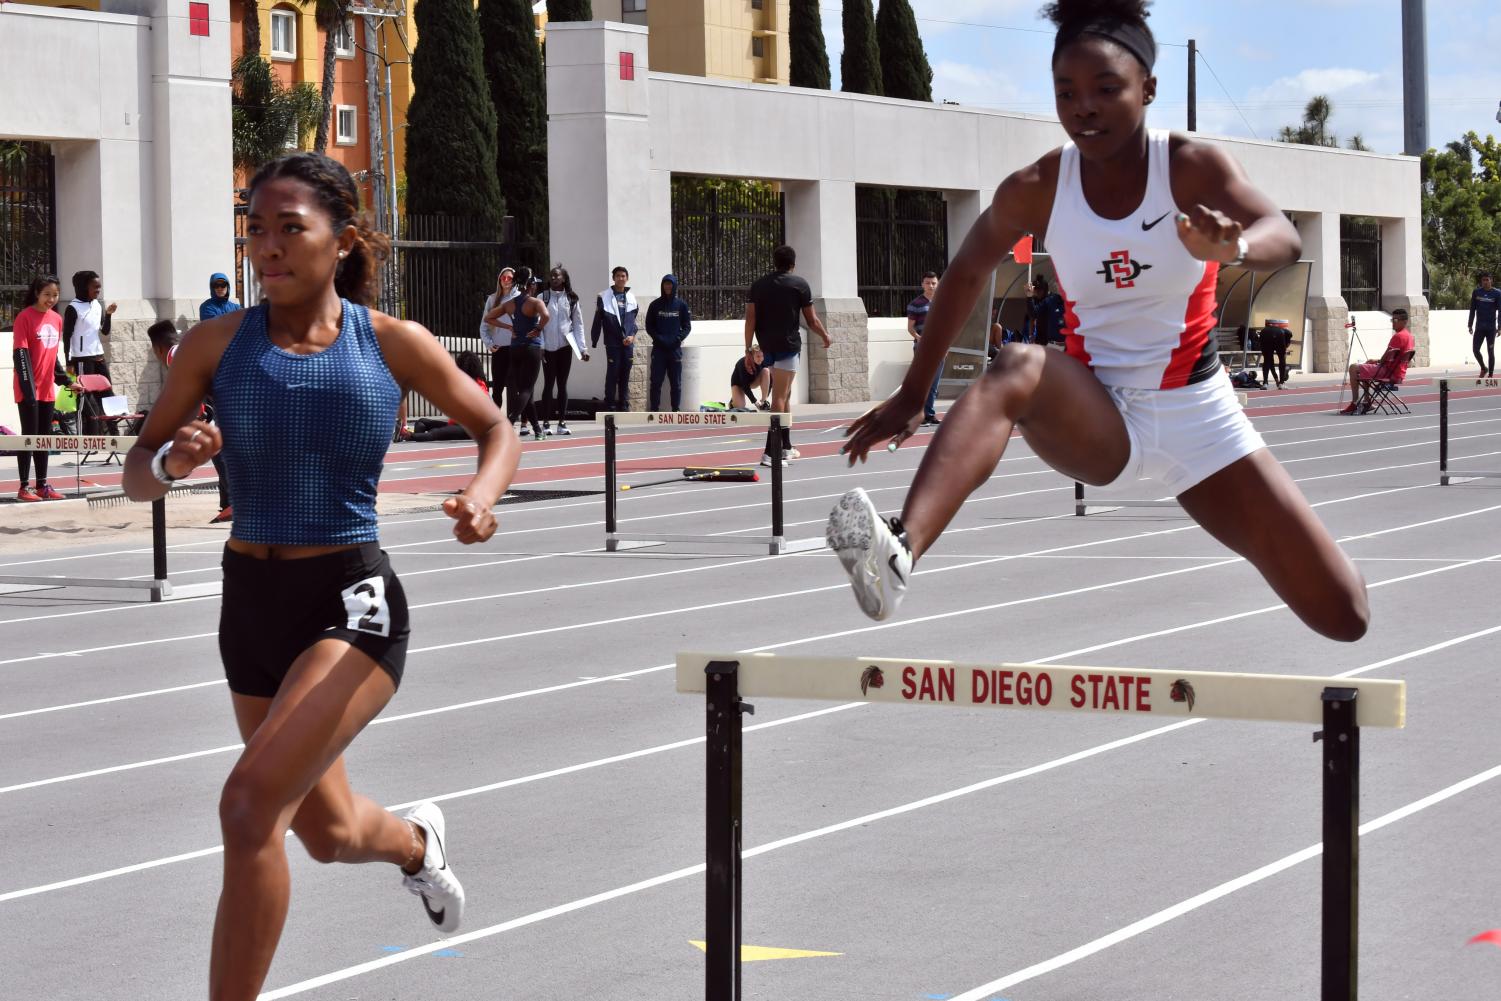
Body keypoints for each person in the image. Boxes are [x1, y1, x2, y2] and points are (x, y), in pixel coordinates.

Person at [827, 0, 1369, 646]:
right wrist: (915, 394)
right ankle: (898, 551)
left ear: (1148, 88)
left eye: (1105, 89)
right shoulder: (1037, 187)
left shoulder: (1189, 165)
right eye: (1066, 92)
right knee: (1017, 368)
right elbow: (965, 272)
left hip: (1200, 418)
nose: (1083, 106)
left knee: (1344, 612)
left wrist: (1235, 250)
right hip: (1098, 410)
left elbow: (1280, 232)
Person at [122, 152, 520, 1001]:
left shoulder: (391, 343)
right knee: (327, 831)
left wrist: (482, 498)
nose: (267, 247)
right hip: (251, 606)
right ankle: (417, 843)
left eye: (289, 228)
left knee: (245, 807)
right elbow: (136, 472)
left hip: (352, 601)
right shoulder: (216, 344)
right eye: (255, 229)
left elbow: (495, 428)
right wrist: (173, 461)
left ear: (342, 239)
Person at [744, 244, 832, 466]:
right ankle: (769, 452)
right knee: (780, 398)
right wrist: (825, 336)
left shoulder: (759, 285)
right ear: (793, 264)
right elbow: (812, 320)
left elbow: (750, 319)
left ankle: (786, 446)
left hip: (766, 346)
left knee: (786, 394)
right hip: (787, 346)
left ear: (775, 262)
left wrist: (747, 349)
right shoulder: (799, 285)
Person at [148, 319, 235, 522]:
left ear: (158, 349)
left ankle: (234, 503)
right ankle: (228, 503)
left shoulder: (176, 358)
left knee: (220, 450)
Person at [12, 275, 75, 501]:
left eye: (55, 295)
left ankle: (42, 486)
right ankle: (23, 487)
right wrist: (29, 392)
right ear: (37, 293)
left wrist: (68, 382)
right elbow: (21, 355)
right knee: (29, 437)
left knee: (44, 438)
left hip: (48, 389)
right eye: (47, 294)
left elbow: (53, 359)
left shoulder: (57, 319)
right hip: (28, 388)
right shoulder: (24, 317)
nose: (51, 299)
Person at [486, 267, 551, 437]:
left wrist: (508, 326)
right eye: (535, 284)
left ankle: (537, 429)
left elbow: (489, 318)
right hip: (531, 348)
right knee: (527, 389)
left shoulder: (509, 304)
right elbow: (546, 316)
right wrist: (538, 328)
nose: (536, 287)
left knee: (523, 390)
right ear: (531, 285)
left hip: (514, 349)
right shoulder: (535, 302)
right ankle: (510, 422)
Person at [538, 265, 588, 435]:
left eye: (557, 276)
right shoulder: (542, 297)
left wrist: (583, 349)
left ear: (564, 279)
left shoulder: (572, 299)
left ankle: (562, 422)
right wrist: (541, 346)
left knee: (562, 385)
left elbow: (578, 324)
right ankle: (545, 423)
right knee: (548, 384)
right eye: (551, 276)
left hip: (565, 347)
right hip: (547, 348)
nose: (553, 278)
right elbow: (538, 325)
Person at [1339, 308, 1415, 415]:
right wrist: (1375, 361)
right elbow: (1392, 358)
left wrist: (1377, 361)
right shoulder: (1410, 336)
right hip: (1398, 373)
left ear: (1404, 321)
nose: (1393, 323)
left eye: (1396, 320)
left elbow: (1385, 358)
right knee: (1366, 365)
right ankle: (1367, 401)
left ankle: (1355, 403)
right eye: (1392, 320)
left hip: (1388, 372)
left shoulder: (1398, 336)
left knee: (1353, 367)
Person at [407, 352, 490, 441]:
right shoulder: (462, 384)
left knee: (436, 432)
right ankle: (418, 438)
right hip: (457, 424)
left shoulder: (479, 386)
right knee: (421, 422)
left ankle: (407, 436)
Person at [591, 266, 638, 411]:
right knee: (613, 373)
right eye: (618, 276)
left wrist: (632, 336)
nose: (621, 278)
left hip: (628, 344)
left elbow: (633, 322)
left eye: (623, 276)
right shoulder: (604, 296)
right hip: (613, 344)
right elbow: (598, 320)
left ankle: (624, 405)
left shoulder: (631, 297)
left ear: (627, 278)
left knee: (625, 375)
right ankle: (609, 405)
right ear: (613, 278)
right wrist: (594, 339)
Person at [645, 273, 693, 411]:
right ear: (662, 285)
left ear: (674, 286)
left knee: (676, 383)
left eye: (670, 284)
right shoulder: (654, 305)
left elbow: (687, 326)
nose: (668, 286)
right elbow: (649, 326)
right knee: (655, 382)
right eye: (665, 284)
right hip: (659, 350)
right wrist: (658, 338)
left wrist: (678, 338)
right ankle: (654, 410)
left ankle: (675, 410)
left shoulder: (681, 305)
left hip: (674, 350)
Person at [906, 272, 942, 425]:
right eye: (928, 283)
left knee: (934, 384)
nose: (931, 286)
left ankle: (929, 414)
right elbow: (910, 328)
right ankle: (918, 415)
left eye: (933, 283)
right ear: (922, 284)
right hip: (922, 348)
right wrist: (920, 339)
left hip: (939, 348)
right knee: (923, 383)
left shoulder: (943, 302)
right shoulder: (916, 304)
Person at [480, 268, 517, 414]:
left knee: (514, 385)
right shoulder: (492, 299)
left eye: (509, 278)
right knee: (498, 386)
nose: (506, 280)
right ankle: (496, 417)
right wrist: (489, 343)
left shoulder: (519, 298)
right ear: (499, 280)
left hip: (516, 348)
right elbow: (484, 325)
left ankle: (513, 418)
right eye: (503, 278)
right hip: (499, 348)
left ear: (514, 280)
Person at [1468, 270, 1499, 379]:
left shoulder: (1497, 293)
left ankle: (1490, 374)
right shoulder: (1476, 292)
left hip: (1490, 328)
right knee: (1475, 350)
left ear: (1491, 281)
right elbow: (1472, 309)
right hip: (1479, 327)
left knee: (1490, 351)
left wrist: (1499, 327)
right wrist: (1470, 324)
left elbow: (1500, 311)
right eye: (1483, 280)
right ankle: (1483, 367)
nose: (1485, 282)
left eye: (1487, 280)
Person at [1025, 273, 1066, 347]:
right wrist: (1029, 296)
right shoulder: (1050, 300)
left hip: (1068, 345)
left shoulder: (1075, 302)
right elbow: (1033, 315)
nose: (1037, 293)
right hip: (1047, 342)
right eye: (1057, 283)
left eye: (1039, 291)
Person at [730, 345, 772, 410]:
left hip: (753, 381)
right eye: (758, 356)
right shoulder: (742, 364)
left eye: (762, 356)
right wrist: (755, 402)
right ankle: (733, 401)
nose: (760, 359)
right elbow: (745, 386)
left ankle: (764, 402)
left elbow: (770, 379)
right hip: (739, 384)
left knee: (766, 371)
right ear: (752, 356)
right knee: (740, 407)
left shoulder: (763, 361)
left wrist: (765, 398)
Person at [1258, 318, 1291, 389]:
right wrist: (1286, 345)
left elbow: (1271, 364)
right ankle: (1281, 384)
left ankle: (1265, 383)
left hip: (1265, 335)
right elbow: (1289, 334)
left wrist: (1276, 379)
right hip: (1278, 336)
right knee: (1282, 359)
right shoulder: (1286, 332)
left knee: (1267, 360)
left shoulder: (1265, 330)